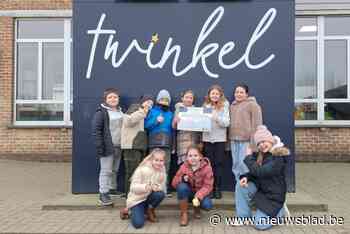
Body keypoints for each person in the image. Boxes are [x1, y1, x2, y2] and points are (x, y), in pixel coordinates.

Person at [237, 125, 289, 230]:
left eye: (264, 141)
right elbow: (255, 173)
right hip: (263, 191)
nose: (261, 145)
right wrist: (246, 177)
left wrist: (248, 158)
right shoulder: (261, 156)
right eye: (259, 143)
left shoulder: (278, 157)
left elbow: (262, 172)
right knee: (240, 186)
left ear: (271, 141)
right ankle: (244, 218)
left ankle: (280, 213)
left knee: (260, 224)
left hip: (274, 197)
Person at [229, 84, 262, 206]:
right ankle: (240, 192)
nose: (238, 94)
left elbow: (257, 125)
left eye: (241, 92)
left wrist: (254, 145)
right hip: (234, 140)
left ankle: (248, 193)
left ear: (246, 94)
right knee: (236, 166)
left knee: (245, 167)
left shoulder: (253, 105)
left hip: (246, 141)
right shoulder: (232, 106)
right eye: (236, 92)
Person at [92, 88, 124, 206]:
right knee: (106, 171)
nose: (113, 99)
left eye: (115, 97)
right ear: (105, 99)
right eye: (110, 97)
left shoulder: (121, 111)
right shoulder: (101, 112)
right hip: (107, 146)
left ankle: (112, 189)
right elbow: (96, 131)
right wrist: (100, 147)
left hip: (119, 146)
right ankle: (103, 194)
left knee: (114, 170)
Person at [121, 148, 167, 229]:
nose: (159, 163)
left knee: (160, 194)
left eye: (161, 160)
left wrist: (157, 187)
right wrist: (146, 187)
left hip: (148, 198)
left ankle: (149, 210)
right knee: (138, 224)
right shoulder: (142, 170)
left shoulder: (162, 170)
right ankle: (129, 210)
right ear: (151, 159)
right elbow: (132, 188)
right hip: (137, 200)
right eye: (156, 160)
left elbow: (162, 186)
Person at [172, 145, 214, 226]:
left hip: (201, 193)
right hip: (189, 192)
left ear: (200, 157)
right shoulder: (184, 166)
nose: (193, 158)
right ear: (187, 158)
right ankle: (184, 214)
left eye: (195, 155)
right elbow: (174, 183)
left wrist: (198, 196)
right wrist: (182, 179)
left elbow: (208, 186)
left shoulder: (207, 168)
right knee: (181, 187)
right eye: (190, 156)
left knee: (207, 205)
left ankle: (196, 208)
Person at [121, 94, 154, 197]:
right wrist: (143, 111)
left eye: (151, 103)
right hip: (132, 146)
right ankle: (129, 196)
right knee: (132, 173)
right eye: (147, 101)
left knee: (139, 174)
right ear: (142, 102)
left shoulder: (148, 113)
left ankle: (136, 195)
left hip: (140, 147)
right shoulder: (135, 107)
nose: (149, 104)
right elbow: (128, 121)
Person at [202, 85, 230, 199]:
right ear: (209, 95)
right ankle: (209, 188)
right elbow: (201, 122)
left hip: (219, 140)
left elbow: (227, 123)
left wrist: (216, 117)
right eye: (212, 93)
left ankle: (217, 188)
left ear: (220, 95)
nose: (214, 95)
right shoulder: (205, 106)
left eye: (216, 94)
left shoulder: (224, 105)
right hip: (207, 139)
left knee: (218, 165)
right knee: (208, 165)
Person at [144, 89, 174, 196]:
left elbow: (173, 130)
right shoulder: (152, 111)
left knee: (166, 166)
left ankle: (164, 188)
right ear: (158, 100)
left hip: (167, 143)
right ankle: (153, 188)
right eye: (162, 99)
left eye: (166, 100)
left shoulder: (171, 113)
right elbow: (146, 126)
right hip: (154, 143)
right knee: (153, 166)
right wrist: (156, 121)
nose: (164, 101)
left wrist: (173, 145)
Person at [172, 90, 201, 165]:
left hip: (194, 143)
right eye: (186, 97)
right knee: (184, 168)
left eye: (191, 98)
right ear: (182, 98)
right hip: (182, 143)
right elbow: (174, 127)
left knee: (194, 168)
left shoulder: (197, 111)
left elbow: (200, 129)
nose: (188, 99)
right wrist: (175, 121)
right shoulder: (178, 109)